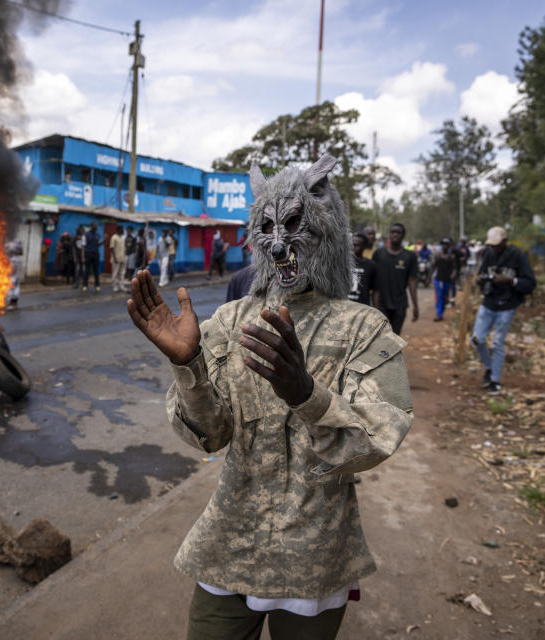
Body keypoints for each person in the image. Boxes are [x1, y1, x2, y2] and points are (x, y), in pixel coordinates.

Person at [126, 154, 412, 640]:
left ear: (326, 230)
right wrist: (188, 364)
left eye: (294, 225)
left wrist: (308, 395)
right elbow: (211, 435)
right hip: (228, 547)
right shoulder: (232, 319)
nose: (280, 243)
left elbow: (379, 436)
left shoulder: (363, 327)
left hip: (314, 555)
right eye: (268, 227)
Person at [472, 226, 537, 395]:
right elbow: (481, 275)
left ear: (505, 242)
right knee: (477, 339)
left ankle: (495, 380)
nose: (494, 248)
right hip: (489, 302)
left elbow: (530, 282)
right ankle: (488, 368)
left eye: (497, 245)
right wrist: (481, 279)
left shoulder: (517, 256)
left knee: (497, 342)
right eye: (492, 245)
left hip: (507, 305)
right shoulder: (489, 254)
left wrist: (511, 281)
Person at [371, 222, 419, 334]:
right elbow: (373, 282)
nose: (395, 235)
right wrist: (374, 305)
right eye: (393, 232)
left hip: (400, 304)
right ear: (389, 234)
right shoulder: (379, 254)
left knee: (395, 335)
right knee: (381, 336)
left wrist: (415, 305)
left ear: (403, 235)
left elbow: (412, 281)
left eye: (399, 232)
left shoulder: (410, 256)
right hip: (381, 303)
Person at [431, 238, 458, 321]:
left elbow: (454, 268)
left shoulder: (452, 257)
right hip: (439, 280)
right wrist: (429, 278)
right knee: (439, 297)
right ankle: (439, 315)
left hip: (447, 280)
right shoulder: (438, 256)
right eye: (443, 244)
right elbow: (434, 267)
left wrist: (453, 275)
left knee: (445, 298)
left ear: (449, 246)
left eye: (446, 244)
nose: (445, 246)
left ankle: (441, 312)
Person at [347, 233, 376, 306]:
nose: (352, 247)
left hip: (362, 306)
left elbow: (376, 290)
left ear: (364, 247)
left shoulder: (371, 265)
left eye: (356, 245)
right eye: (351, 244)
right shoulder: (341, 263)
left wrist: (375, 308)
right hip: (344, 306)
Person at [82, 221, 103, 293]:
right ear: (92, 226)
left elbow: (98, 244)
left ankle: (97, 286)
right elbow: (83, 246)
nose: (97, 227)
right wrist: (83, 256)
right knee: (86, 271)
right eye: (95, 226)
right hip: (88, 254)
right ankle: (85, 286)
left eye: (97, 226)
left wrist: (104, 241)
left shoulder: (97, 235)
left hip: (96, 254)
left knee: (96, 271)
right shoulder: (86, 234)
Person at [6, 239, 23, 309]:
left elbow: (21, 252)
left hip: (14, 263)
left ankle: (13, 302)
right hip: (6, 262)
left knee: (13, 282)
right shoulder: (4, 238)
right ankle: (9, 301)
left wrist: (11, 250)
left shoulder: (16, 241)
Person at [110, 227, 127, 292]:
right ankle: (115, 286)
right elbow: (112, 248)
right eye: (122, 230)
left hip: (122, 258)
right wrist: (115, 258)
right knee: (115, 273)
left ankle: (121, 286)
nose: (123, 231)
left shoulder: (122, 238)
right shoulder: (114, 237)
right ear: (118, 230)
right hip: (116, 259)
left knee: (122, 273)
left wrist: (125, 257)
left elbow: (124, 249)